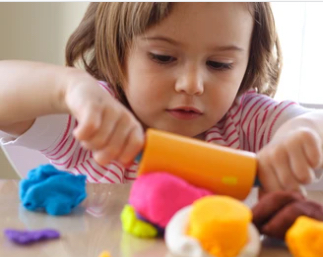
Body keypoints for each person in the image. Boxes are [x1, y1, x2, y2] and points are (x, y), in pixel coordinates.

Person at [0, 3, 322, 194]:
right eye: (163, 57)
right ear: (119, 51)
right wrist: (68, 88)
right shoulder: (96, 121)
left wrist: (301, 138)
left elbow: (313, 126)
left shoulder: (247, 121)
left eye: (219, 64)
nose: (192, 84)